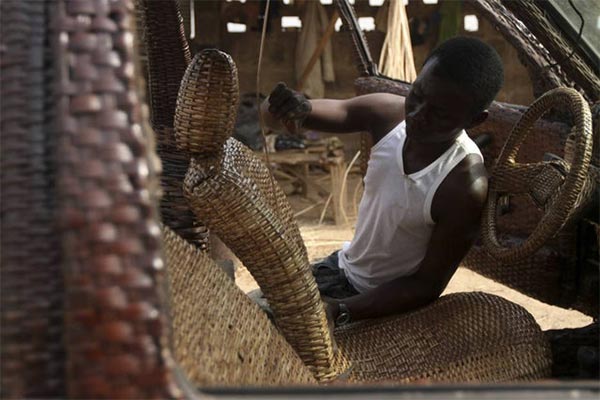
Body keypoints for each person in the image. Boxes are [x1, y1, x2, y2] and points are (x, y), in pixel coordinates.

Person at [261, 36, 504, 326]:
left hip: (380, 306)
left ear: (475, 120)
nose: (416, 115)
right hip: (338, 268)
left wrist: (340, 311)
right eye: (417, 95)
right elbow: (283, 116)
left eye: (438, 114)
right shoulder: (389, 114)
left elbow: (425, 286)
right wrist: (289, 109)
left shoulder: (462, 184)